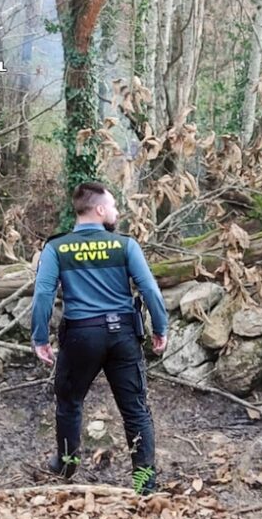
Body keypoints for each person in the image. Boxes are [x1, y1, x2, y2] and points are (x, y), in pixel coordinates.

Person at [31, 182, 168, 495]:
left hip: (81, 335)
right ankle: (144, 485)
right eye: (114, 205)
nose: (117, 211)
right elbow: (150, 290)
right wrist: (160, 327)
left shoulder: (56, 247)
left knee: (69, 401)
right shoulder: (125, 245)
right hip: (123, 335)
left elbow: (43, 294)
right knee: (135, 409)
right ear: (100, 209)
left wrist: (40, 337)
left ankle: (65, 464)